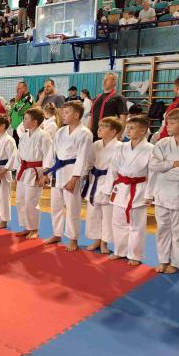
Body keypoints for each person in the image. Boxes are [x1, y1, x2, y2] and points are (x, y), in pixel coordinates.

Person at [41, 101, 93, 252]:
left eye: (66, 112)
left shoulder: (85, 133)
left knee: (72, 208)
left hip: (72, 172)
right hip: (57, 172)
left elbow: (82, 157)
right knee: (55, 206)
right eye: (63, 112)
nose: (63, 115)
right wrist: (46, 171)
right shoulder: (61, 131)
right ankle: (57, 234)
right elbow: (52, 152)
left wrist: (75, 178)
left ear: (76, 114)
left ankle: (73, 238)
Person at [106, 115, 156, 266]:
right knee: (118, 222)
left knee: (136, 226)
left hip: (138, 189)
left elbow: (153, 173)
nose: (128, 130)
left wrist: (149, 194)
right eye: (127, 128)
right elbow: (113, 169)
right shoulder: (121, 147)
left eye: (132, 128)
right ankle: (119, 250)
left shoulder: (151, 149)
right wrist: (109, 188)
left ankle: (135, 255)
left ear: (143, 130)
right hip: (121, 187)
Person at [149, 107, 179, 274]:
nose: (167, 126)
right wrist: (172, 164)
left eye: (172, 123)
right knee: (162, 229)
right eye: (167, 122)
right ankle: (163, 260)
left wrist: (163, 169)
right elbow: (153, 165)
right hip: (161, 193)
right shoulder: (162, 143)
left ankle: (175, 262)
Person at [83, 116, 122, 255]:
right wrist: (84, 174)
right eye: (99, 126)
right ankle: (96, 240)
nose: (99, 129)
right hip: (95, 180)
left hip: (110, 181)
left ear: (113, 132)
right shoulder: (96, 144)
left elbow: (119, 167)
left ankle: (104, 242)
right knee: (93, 213)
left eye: (104, 127)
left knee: (107, 214)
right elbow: (89, 161)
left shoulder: (120, 147)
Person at [15, 107, 53, 239]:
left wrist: (45, 174)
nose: (23, 121)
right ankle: (27, 226)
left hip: (36, 171)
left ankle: (34, 229)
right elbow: (19, 155)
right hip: (23, 170)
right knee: (20, 200)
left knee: (31, 201)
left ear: (35, 122)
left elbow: (49, 155)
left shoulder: (44, 136)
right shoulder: (24, 136)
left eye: (26, 119)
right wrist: (17, 172)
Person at [90, 72, 128, 141]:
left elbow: (123, 119)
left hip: (109, 135)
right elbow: (91, 116)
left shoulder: (119, 98)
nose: (104, 81)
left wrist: (118, 136)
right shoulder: (97, 98)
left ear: (114, 83)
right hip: (94, 134)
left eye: (107, 79)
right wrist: (88, 132)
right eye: (104, 79)